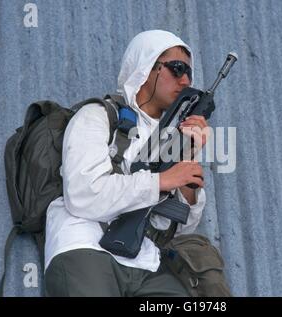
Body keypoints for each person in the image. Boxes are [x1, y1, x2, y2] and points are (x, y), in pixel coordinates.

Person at [44, 30, 210, 296]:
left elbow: (180, 229)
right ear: (146, 66)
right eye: (177, 68)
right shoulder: (98, 116)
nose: (185, 80)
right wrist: (161, 181)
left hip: (146, 260)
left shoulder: (175, 139)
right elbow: (82, 194)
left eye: (189, 73)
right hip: (86, 247)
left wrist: (189, 154)